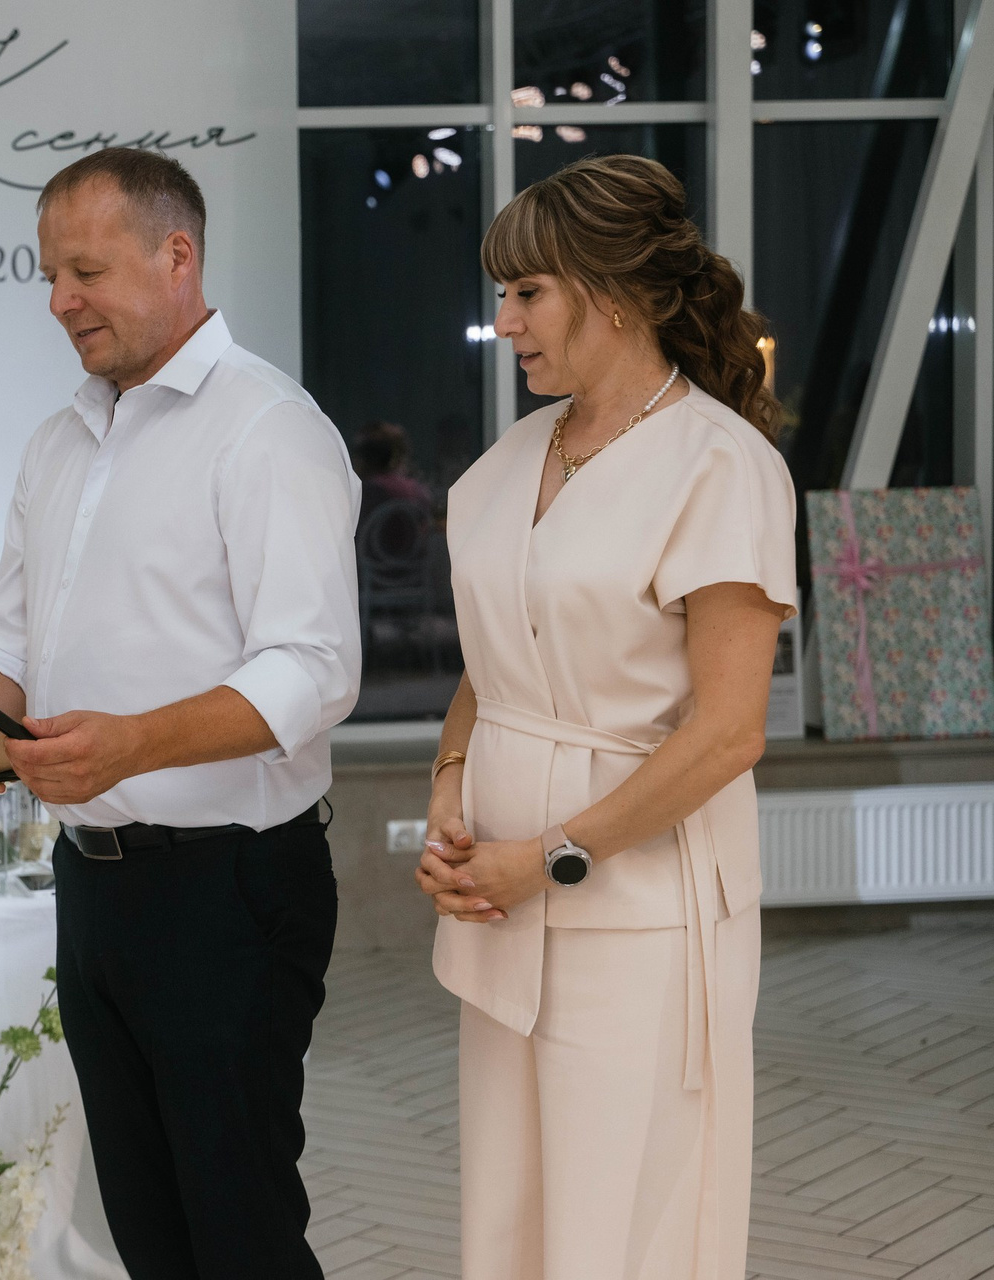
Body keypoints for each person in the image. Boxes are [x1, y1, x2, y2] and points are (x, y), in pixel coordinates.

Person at [0, 148, 362, 1279]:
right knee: (148, 1232)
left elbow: (315, 671)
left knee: (241, 1230)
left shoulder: (269, 428)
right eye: (49, 276)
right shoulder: (60, 439)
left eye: (85, 272)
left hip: (230, 887)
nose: (59, 301)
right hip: (95, 883)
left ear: (178, 257)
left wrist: (134, 742)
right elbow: (8, 650)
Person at [414, 155, 795, 1279]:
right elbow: (498, 653)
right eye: (504, 294)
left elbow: (730, 732)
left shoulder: (720, 466)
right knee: (510, 1215)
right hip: (499, 900)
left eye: (528, 293)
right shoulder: (510, 460)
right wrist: (449, 790)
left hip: (641, 916)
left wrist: (552, 856)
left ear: (615, 293)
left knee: (623, 1222)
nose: (504, 322)